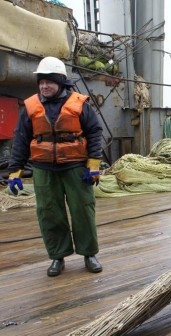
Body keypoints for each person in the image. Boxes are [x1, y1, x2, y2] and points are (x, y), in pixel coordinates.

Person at [6, 56, 104, 277]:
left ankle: (89, 254)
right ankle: (57, 257)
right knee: (49, 213)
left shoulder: (80, 104)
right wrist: (15, 171)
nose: (44, 86)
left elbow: (95, 133)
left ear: (61, 81)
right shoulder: (31, 106)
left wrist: (94, 164)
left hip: (76, 167)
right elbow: (21, 138)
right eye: (41, 81)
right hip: (43, 169)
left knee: (83, 210)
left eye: (49, 81)